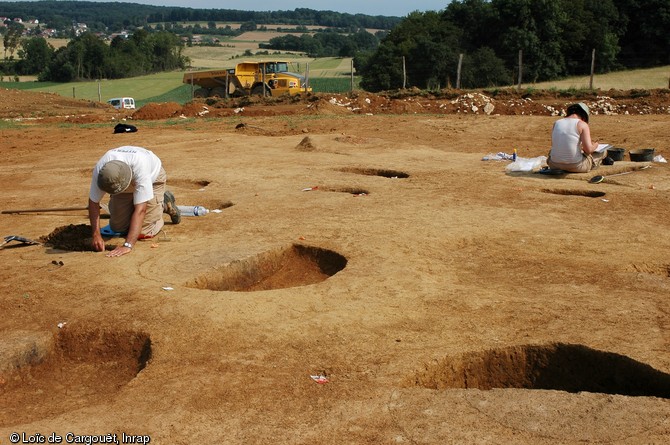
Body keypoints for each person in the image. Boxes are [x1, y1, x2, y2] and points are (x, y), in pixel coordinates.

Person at [88, 146, 181, 257]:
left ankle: (164, 204)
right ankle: (136, 205)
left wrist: (128, 245)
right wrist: (96, 235)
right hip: (122, 181)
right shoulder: (101, 172)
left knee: (144, 232)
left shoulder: (141, 169)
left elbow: (140, 210)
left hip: (153, 180)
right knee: (117, 228)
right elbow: (93, 202)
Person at [547, 102, 606, 173]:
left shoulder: (556, 123)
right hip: (576, 166)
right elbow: (588, 150)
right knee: (604, 152)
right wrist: (595, 145)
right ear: (584, 116)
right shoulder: (582, 124)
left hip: (554, 165)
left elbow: (557, 144)